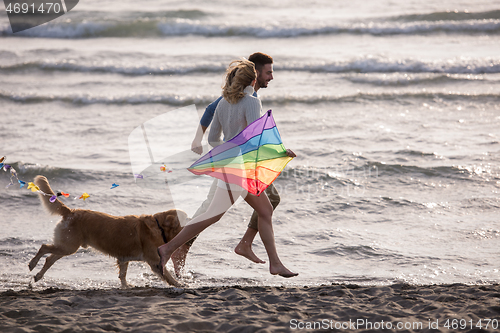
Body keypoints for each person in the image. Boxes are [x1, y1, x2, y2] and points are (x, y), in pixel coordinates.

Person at [158, 59, 297, 279]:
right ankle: (167, 249)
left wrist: (229, 153)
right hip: (239, 170)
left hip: (230, 166)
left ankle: (275, 263)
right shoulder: (252, 102)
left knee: (264, 209)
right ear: (253, 79)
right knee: (214, 215)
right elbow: (254, 140)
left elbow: (213, 140)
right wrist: (280, 152)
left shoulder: (223, 103)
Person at [180, 52, 279, 269]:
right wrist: (198, 139)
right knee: (211, 211)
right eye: (268, 72)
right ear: (256, 73)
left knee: (267, 202)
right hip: (235, 164)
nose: (271, 77)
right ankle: (180, 247)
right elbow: (211, 110)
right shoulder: (242, 97)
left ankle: (245, 244)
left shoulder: (250, 97)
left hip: (236, 162)